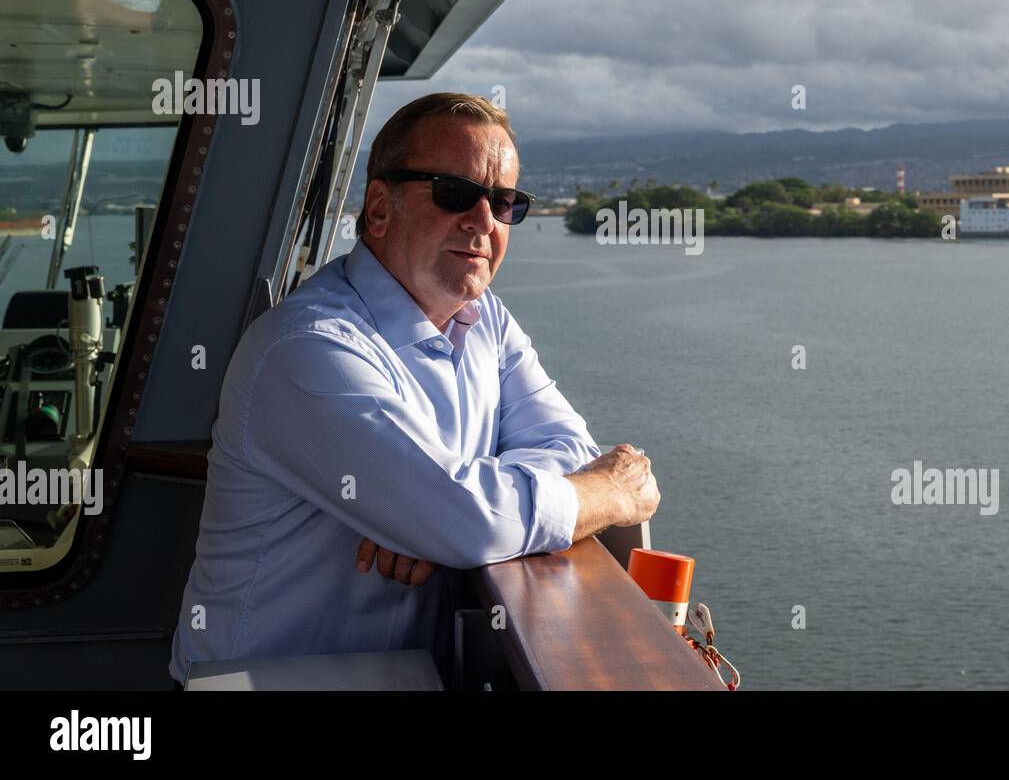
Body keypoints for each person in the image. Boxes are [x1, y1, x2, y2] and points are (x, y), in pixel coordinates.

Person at [168, 93, 659, 685]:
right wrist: (605, 493)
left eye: (504, 203)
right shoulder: (309, 347)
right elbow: (472, 517)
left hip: (398, 675)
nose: (483, 221)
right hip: (259, 679)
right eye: (455, 193)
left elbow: (563, 447)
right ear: (379, 208)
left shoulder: (487, 321)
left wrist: (426, 513)